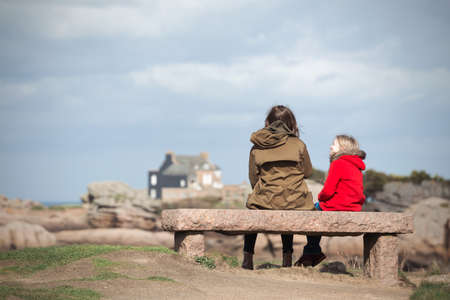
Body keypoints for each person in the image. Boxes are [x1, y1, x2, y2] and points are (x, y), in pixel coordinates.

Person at [242, 105, 316, 270]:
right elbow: (308, 172)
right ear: (292, 124)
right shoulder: (299, 144)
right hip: (296, 200)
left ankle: (247, 259)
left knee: (252, 215)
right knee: (288, 204)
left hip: (265, 199)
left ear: (268, 122)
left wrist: (265, 190)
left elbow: (253, 178)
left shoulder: (257, 146)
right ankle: (287, 259)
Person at [294, 134, 366, 267]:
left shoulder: (338, 163)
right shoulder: (357, 166)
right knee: (316, 211)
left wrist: (320, 198)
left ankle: (312, 252)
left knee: (312, 212)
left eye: (334, 144)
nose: (330, 146)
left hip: (338, 205)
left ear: (342, 148)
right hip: (354, 207)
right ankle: (311, 254)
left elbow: (328, 190)